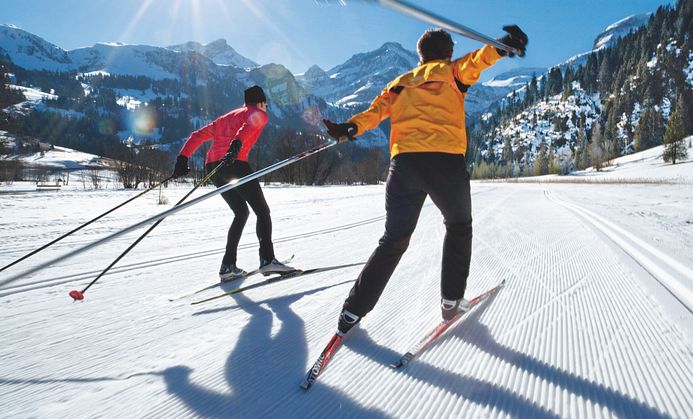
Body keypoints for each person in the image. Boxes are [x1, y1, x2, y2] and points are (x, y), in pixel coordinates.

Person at [322, 26, 528, 333]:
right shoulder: (453, 72)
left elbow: (373, 114)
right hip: (445, 163)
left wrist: (348, 128)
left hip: (404, 165)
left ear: (420, 56)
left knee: (393, 240)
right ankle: (451, 302)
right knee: (459, 227)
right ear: (447, 53)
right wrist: (504, 46)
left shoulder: (399, 84)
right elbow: (479, 60)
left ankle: (352, 312)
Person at [172, 85, 296, 281]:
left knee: (241, 212)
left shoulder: (227, 117)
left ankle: (228, 265)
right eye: (266, 104)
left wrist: (182, 158)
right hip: (234, 163)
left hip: (213, 167)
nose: (266, 108)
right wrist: (236, 145)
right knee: (262, 212)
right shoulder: (259, 113)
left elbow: (197, 135)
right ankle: (267, 260)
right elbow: (248, 127)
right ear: (262, 102)